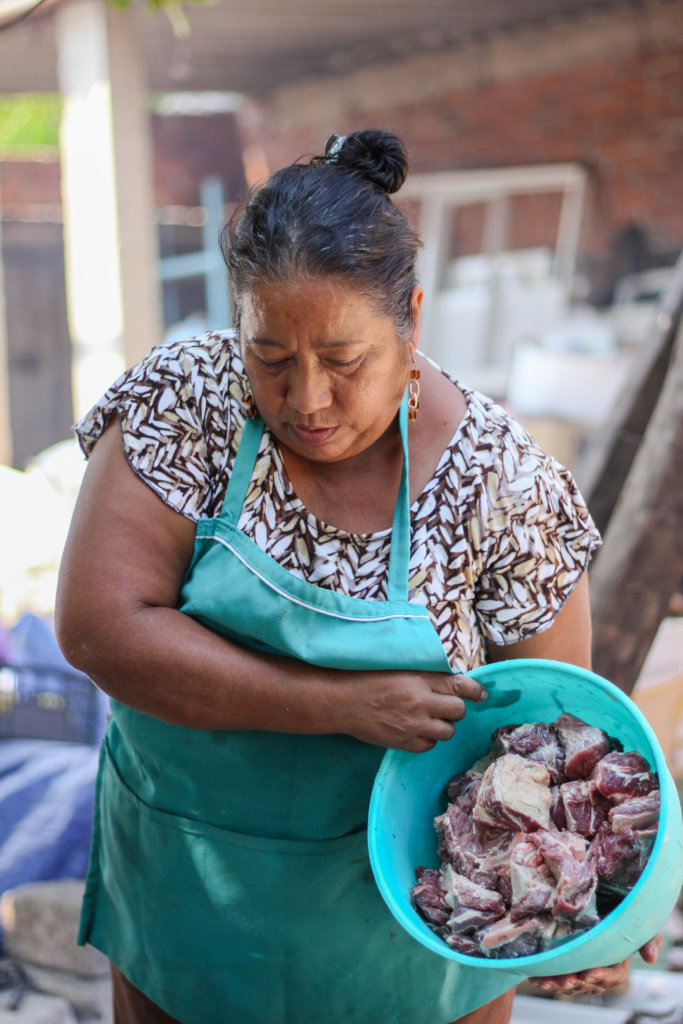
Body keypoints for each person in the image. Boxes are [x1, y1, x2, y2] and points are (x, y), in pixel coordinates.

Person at [55, 129, 661, 1024]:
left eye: (344, 362)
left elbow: (553, 732)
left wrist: (599, 896)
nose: (307, 400)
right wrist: (334, 705)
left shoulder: (498, 480)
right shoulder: (186, 403)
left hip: (403, 940)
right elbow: (100, 629)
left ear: (411, 318)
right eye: (270, 357)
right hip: (189, 889)